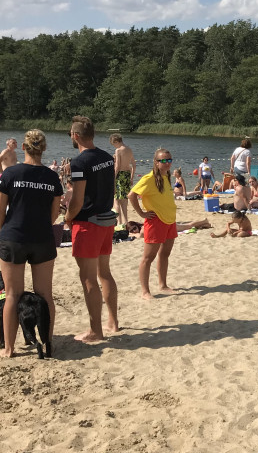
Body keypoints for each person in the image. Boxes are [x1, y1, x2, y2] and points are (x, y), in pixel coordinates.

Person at [0, 130, 63, 357]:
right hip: (42, 238)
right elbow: (55, 213)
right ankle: (48, 342)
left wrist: (4, 231)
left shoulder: (10, 173)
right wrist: (41, 226)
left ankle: (9, 349)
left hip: (14, 237)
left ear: (23, 147)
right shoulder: (52, 177)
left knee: (12, 294)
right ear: (44, 149)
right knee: (45, 294)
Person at [66, 116, 119, 343]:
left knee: (88, 278)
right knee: (104, 272)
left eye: (70, 134)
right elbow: (109, 189)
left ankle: (96, 330)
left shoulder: (79, 162)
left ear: (76, 136)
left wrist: (68, 217)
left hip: (88, 223)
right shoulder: (107, 157)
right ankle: (113, 322)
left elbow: (77, 200)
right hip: (106, 219)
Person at [130, 149, 178, 300]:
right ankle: (145, 291)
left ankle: (163, 285)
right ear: (156, 162)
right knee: (148, 258)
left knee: (165, 254)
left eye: (169, 160)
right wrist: (141, 214)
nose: (167, 163)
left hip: (170, 220)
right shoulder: (149, 178)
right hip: (156, 221)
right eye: (163, 160)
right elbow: (132, 195)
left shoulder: (166, 176)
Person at [110, 133, 135, 227]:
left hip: (119, 175)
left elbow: (117, 166)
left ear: (116, 141)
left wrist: (113, 177)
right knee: (124, 200)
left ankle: (119, 222)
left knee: (116, 199)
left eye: (113, 144)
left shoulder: (118, 150)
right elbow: (134, 165)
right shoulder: (129, 149)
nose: (114, 146)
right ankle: (126, 222)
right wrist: (132, 178)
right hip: (127, 175)